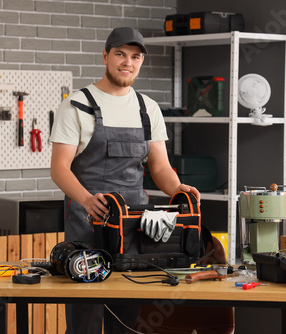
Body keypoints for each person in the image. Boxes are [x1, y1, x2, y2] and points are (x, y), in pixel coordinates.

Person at [50, 26, 200, 334]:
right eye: (120, 54)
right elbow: (59, 168)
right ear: (106, 56)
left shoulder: (148, 109)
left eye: (135, 56)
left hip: (134, 228)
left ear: (141, 61)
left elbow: (159, 166)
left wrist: (177, 188)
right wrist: (87, 200)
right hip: (87, 226)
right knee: (85, 323)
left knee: (128, 320)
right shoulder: (77, 105)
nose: (127, 62)